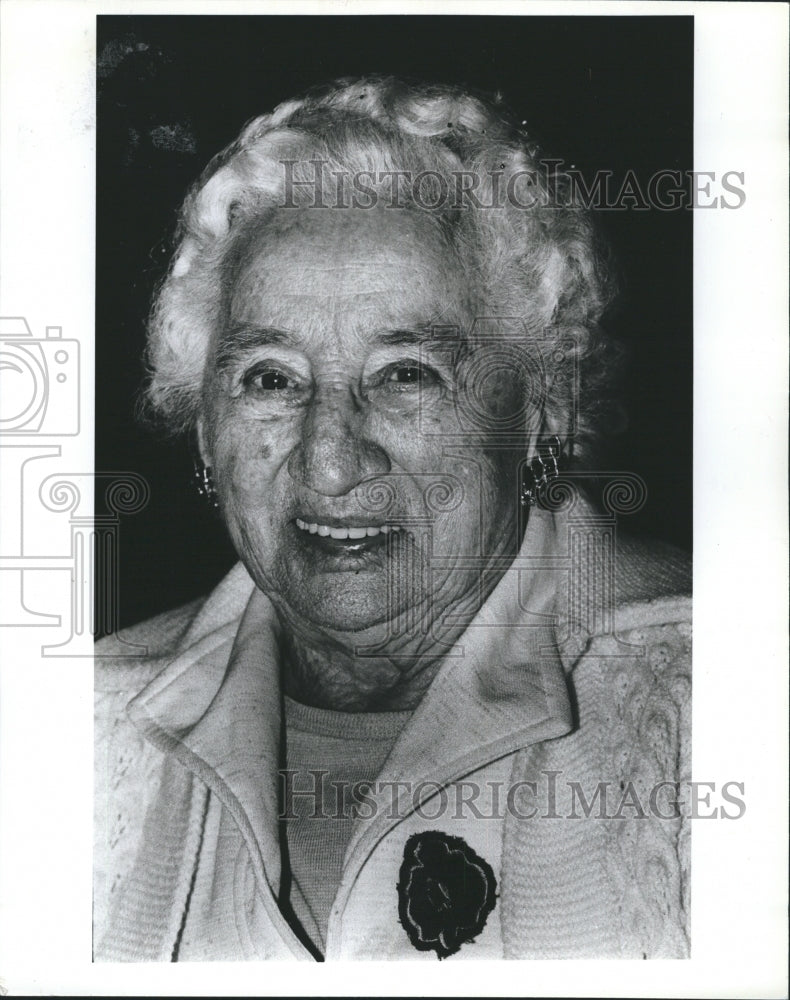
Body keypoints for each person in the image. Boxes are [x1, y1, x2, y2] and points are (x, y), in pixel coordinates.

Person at [94, 77, 691, 961]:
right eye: (269, 378)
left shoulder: (715, 698)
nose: (330, 460)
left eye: (406, 373)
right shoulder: (70, 720)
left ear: (543, 409)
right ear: (204, 427)